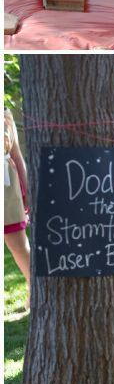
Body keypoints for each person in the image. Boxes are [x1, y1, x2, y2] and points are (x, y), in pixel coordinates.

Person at [4, 109, 30, 305]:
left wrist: (26, 190)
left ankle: (34, 287)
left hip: (7, 187)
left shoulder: (5, 114)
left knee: (19, 245)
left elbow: (17, 155)